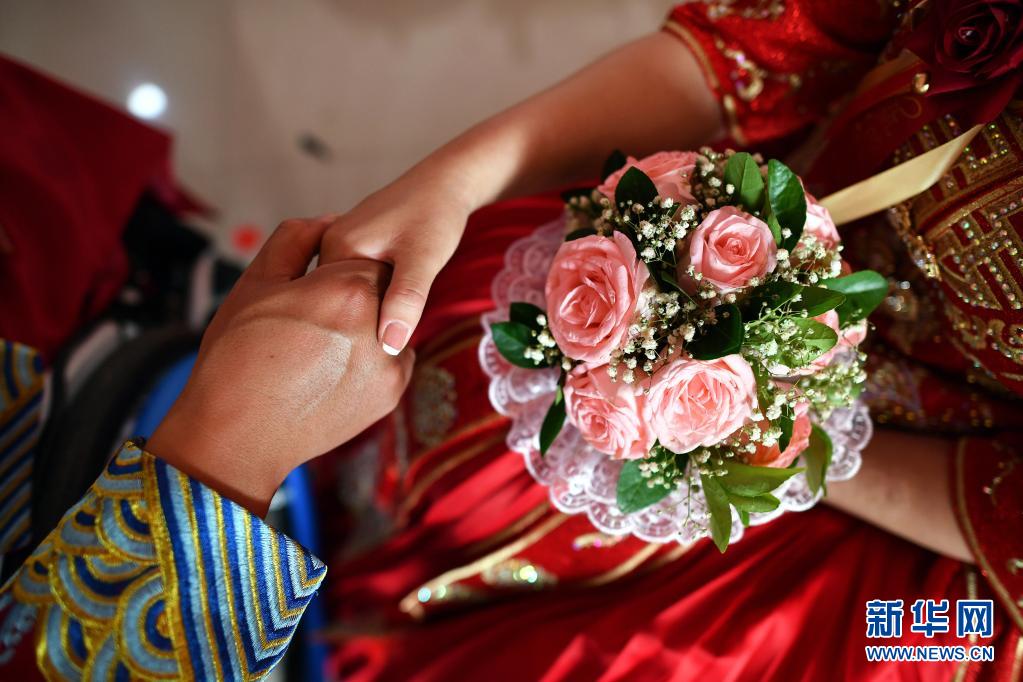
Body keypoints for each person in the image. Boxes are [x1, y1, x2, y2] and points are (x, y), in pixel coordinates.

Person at [1, 0, 1020, 680]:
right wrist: (456, 180)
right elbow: (768, 45)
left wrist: (769, 440)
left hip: (929, 523)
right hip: (695, 259)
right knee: (478, 333)